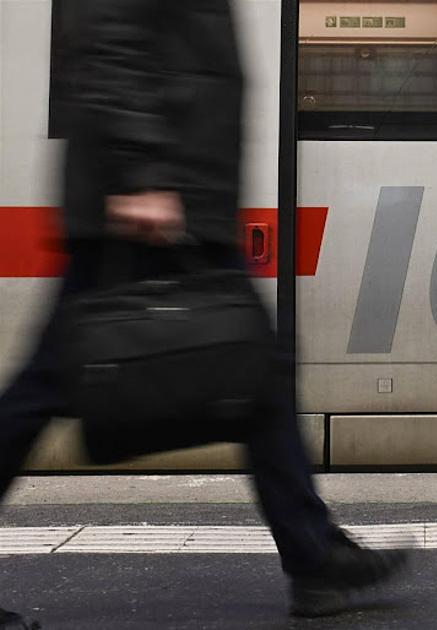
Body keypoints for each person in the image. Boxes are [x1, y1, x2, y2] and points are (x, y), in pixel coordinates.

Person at [0, 2, 406, 627]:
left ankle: (314, 554)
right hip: (149, 201)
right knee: (45, 387)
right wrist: (142, 173)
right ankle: (313, 554)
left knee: (259, 377)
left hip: (184, 196)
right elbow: (111, 40)